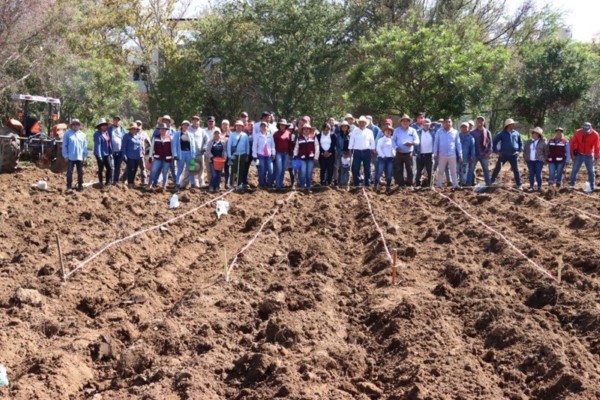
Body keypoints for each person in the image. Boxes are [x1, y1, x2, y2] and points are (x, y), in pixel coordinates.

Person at [490, 118, 523, 189]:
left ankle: (519, 184)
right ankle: (491, 181)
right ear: (508, 125)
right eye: (512, 124)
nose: (513, 125)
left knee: (516, 170)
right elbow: (494, 142)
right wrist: (496, 152)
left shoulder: (516, 133)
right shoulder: (501, 134)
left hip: (514, 154)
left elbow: (521, 143)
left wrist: (519, 151)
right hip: (503, 154)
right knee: (497, 168)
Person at [569, 122, 600, 191]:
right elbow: (573, 143)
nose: (585, 132)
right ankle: (572, 184)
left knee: (591, 171)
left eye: (587, 131)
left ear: (591, 128)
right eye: (584, 130)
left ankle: (592, 186)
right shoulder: (578, 132)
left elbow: (597, 147)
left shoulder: (595, 134)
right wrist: (572, 154)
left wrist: (596, 157)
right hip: (579, 154)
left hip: (589, 155)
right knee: (574, 169)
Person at [433, 117, 462, 190]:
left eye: (449, 122)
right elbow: (436, 143)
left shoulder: (455, 132)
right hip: (442, 155)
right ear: (443, 123)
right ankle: (439, 185)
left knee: (453, 171)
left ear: (452, 123)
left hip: (452, 155)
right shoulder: (439, 132)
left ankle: (455, 185)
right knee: (441, 171)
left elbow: (458, 144)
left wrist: (460, 154)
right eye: (446, 122)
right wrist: (435, 154)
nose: (448, 123)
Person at [392, 114, 420, 188]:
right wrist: (396, 147)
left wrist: (412, 143)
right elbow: (393, 140)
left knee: (410, 169)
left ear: (409, 122)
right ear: (401, 122)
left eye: (406, 121)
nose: (405, 122)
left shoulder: (413, 130)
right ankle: (401, 184)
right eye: (403, 121)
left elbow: (417, 140)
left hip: (409, 153)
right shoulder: (397, 130)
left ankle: (409, 184)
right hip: (399, 152)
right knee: (399, 169)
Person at [62, 119, 88, 193]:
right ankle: (69, 187)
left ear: (79, 125)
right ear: (71, 125)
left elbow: (84, 147)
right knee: (69, 172)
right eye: (74, 124)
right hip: (70, 156)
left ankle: (80, 185)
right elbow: (64, 146)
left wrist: (85, 156)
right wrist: (65, 155)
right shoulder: (67, 134)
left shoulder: (83, 135)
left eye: (77, 124)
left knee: (80, 172)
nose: (75, 126)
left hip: (80, 156)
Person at [349, 115, 375, 188]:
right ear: (359, 123)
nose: (362, 124)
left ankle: (367, 184)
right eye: (360, 122)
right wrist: (350, 149)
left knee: (367, 168)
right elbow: (351, 141)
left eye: (363, 122)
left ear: (366, 123)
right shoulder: (355, 131)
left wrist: (372, 150)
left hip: (367, 152)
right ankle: (357, 184)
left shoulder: (369, 132)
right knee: (356, 168)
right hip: (357, 152)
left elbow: (372, 141)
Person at [293, 124, 320, 191]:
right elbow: (296, 148)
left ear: (310, 130)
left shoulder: (313, 137)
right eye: (305, 128)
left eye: (308, 129)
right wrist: (295, 155)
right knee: (303, 172)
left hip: (311, 158)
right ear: (302, 130)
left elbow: (317, 147)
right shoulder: (299, 138)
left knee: (309, 173)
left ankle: (308, 186)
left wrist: (316, 157)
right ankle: (302, 186)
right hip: (302, 158)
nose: (306, 130)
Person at [173, 120, 197, 191]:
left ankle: (193, 184)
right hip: (181, 154)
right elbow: (174, 145)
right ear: (182, 125)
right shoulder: (177, 134)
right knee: (180, 170)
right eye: (184, 125)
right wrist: (175, 154)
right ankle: (177, 184)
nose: (186, 126)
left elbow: (193, 145)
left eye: (187, 125)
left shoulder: (191, 135)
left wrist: (194, 155)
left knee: (191, 169)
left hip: (190, 153)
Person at [149, 123, 174, 190]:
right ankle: (150, 184)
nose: (162, 130)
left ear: (166, 130)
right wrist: (150, 156)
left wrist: (173, 156)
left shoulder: (170, 137)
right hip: (158, 157)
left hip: (167, 158)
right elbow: (152, 147)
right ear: (159, 130)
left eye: (164, 129)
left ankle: (164, 186)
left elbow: (172, 148)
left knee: (165, 172)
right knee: (153, 170)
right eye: (161, 129)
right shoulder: (155, 137)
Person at [469, 116, 493, 186]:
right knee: (471, 170)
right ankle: (469, 184)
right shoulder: (472, 133)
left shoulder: (487, 132)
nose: (480, 122)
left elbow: (490, 144)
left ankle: (488, 184)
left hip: (484, 154)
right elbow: (470, 145)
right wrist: (470, 155)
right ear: (476, 122)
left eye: (481, 121)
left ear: (483, 122)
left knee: (486, 170)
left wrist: (489, 153)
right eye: (478, 121)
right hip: (475, 154)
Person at [523, 127, 548, 191]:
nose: (532, 134)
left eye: (534, 133)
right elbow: (525, 150)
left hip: (539, 160)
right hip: (530, 160)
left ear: (537, 134)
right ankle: (531, 186)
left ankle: (539, 186)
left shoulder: (543, 142)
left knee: (538, 174)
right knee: (531, 174)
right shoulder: (529, 142)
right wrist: (525, 158)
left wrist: (545, 159)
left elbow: (546, 151)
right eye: (532, 133)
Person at [227, 120, 250, 190]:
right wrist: (229, 155)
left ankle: (239, 184)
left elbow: (247, 145)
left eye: (240, 126)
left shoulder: (245, 135)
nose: (239, 127)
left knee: (241, 170)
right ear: (235, 126)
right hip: (234, 155)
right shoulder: (232, 134)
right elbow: (229, 145)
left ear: (242, 127)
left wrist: (247, 155)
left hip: (243, 155)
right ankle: (231, 185)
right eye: (237, 126)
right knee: (233, 170)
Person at [252, 121, 276, 188]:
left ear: (267, 127)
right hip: (260, 155)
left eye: (265, 126)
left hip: (269, 156)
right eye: (262, 126)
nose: (264, 127)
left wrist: (273, 154)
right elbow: (254, 145)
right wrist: (254, 155)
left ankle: (269, 183)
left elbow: (273, 145)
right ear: (260, 127)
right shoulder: (257, 135)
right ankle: (262, 184)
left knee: (270, 170)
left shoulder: (270, 136)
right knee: (262, 170)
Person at [414, 118, 436, 187]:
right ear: (422, 125)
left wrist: (434, 153)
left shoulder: (433, 132)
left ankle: (430, 185)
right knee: (419, 171)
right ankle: (417, 184)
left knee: (430, 171)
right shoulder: (418, 132)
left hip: (429, 154)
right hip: (420, 154)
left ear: (430, 125)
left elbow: (439, 125)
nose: (426, 126)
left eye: (428, 125)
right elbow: (415, 142)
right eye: (425, 125)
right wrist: (415, 151)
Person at [186, 115, 207, 187]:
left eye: (197, 120)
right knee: (190, 168)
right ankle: (185, 183)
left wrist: (204, 147)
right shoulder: (188, 129)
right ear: (192, 121)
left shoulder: (202, 131)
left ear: (199, 122)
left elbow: (206, 140)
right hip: (191, 153)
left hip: (200, 153)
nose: (196, 122)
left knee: (201, 168)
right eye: (194, 120)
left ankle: (201, 183)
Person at [273, 119, 293, 190]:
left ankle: (281, 184)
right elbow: (273, 144)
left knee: (283, 169)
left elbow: (290, 144)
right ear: (279, 125)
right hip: (278, 153)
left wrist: (290, 152)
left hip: (286, 153)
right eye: (281, 125)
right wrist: (273, 153)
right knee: (279, 169)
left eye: (284, 125)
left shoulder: (288, 133)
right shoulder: (276, 134)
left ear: (286, 126)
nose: (282, 126)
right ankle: (277, 185)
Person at [121, 122, 143, 187]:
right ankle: (130, 183)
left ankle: (132, 182)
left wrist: (141, 153)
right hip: (130, 156)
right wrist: (124, 155)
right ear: (130, 129)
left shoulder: (138, 136)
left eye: (135, 129)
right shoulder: (126, 136)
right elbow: (124, 147)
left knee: (135, 169)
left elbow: (140, 146)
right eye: (132, 129)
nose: (133, 130)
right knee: (131, 169)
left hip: (137, 156)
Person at [375, 125, 395, 193]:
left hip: (390, 158)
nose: (388, 132)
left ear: (391, 132)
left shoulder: (393, 140)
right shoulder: (381, 140)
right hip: (382, 158)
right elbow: (378, 148)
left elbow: (395, 148)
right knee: (379, 172)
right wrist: (383, 155)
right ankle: (376, 186)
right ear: (384, 132)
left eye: (389, 131)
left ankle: (388, 187)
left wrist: (394, 155)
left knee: (389, 173)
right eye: (386, 130)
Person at [93, 118, 113, 186]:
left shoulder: (106, 133)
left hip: (106, 153)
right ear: (100, 126)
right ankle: (100, 182)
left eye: (105, 125)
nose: (104, 126)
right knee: (101, 168)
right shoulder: (97, 134)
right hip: (100, 154)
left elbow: (109, 143)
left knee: (109, 168)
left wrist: (110, 153)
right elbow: (98, 145)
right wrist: (99, 156)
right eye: (102, 125)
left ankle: (108, 182)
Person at [108, 116, 126, 184]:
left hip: (120, 152)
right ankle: (110, 180)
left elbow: (126, 139)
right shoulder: (109, 129)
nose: (116, 121)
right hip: (111, 151)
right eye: (115, 120)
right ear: (113, 121)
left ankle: (116, 181)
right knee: (111, 167)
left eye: (118, 120)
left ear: (120, 122)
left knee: (118, 167)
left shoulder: (122, 130)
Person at [458, 122, 476, 186]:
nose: (464, 128)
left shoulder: (471, 138)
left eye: (466, 127)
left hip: (466, 158)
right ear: (460, 128)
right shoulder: (456, 136)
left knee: (464, 171)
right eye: (463, 127)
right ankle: (457, 184)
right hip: (457, 157)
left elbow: (472, 148)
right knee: (456, 171)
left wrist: (471, 156)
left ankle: (463, 184)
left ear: (468, 128)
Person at [336, 121, 352, 188]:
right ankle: (342, 183)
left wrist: (349, 153)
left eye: (345, 126)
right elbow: (337, 146)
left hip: (349, 154)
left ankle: (347, 184)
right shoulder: (338, 135)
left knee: (348, 169)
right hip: (341, 154)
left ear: (348, 127)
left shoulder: (351, 135)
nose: (344, 127)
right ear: (341, 127)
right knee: (342, 169)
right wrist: (342, 153)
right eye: (343, 126)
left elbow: (353, 145)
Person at [136, 120, 151, 185]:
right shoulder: (132, 132)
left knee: (143, 167)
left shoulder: (144, 133)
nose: (138, 126)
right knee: (129, 167)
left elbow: (149, 143)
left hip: (141, 153)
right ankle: (124, 179)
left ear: (141, 126)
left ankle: (144, 180)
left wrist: (147, 151)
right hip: (133, 153)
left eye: (139, 125)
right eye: (137, 124)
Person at [220, 120, 232, 187]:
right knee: (219, 169)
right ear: (221, 126)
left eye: (226, 124)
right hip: (220, 154)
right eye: (223, 124)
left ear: (229, 126)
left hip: (228, 154)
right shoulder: (219, 133)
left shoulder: (231, 134)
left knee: (227, 169)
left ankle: (227, 183)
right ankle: (218, 183)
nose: (225, 126)